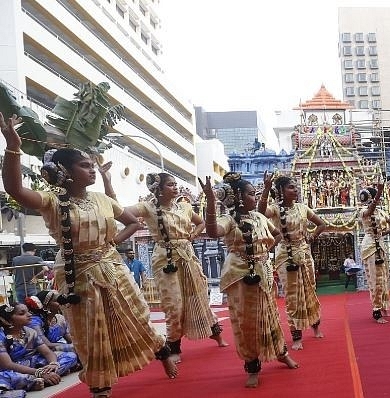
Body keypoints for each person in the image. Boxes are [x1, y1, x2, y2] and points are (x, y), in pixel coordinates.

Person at [0, 113, 177, 398]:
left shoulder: (103, 199)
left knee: (136, 316)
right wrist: (12, 145)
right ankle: (100, 388)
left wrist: (109, 244)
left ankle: (163, 352)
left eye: (92, 166)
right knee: (88, 332)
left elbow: (133, 221)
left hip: (111, 267)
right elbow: (15, 190)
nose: (92, 170)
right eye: (85, 166)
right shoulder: (53, 201)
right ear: (64, 172)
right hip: (76, 273)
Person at [199, 172, 298, 388]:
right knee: (247, 323)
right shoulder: (228, 219)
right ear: (238, 198)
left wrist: (263, 254)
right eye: (252, 194)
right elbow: (213, 232)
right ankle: (252, 367)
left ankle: (281, 352)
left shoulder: (259, 217)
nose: (256, 198)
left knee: (270, 315)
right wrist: (210, 201)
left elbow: (277, 235)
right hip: (239, 276)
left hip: (262, 273)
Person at [126, 172, 228, 364]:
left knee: (199, 298)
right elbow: (121, 210)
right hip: (165, 259)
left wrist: (193, 235)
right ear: (159, 189)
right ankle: (174, 346)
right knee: (174, 304)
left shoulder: (185, 207)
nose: (175, 188)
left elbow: (202, 222)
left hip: (187, 255)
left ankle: (216, 334)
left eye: (176, 184)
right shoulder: (148, 207)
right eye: (171, 185)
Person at [258, 172, 326, 350]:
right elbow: (260, 212)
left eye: (296, 187)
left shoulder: (303, 208)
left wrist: (311, 237)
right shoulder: (274, 209)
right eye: (291, 187)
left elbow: (321, 224)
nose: (295, 190)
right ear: (281, 190)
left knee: (310, 290)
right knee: (292, 295)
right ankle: (296, 337)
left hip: (304, 253)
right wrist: (266, 189)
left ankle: (316, 327)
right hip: (285, 256)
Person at [0, 303, 77, 393]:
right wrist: (38, 372)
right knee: (10, 378)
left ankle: (42, 378)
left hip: (32, 364)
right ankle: (38, 379)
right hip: (11, 370)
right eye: (22, 313)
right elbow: (8, 365)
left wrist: (54, 363)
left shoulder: (30, 332)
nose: (29, 315)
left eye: (28, 311)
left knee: (70, 356)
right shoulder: (2, 335)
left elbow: (47, 352)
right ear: (9, 320)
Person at [358, 183, 390, 324]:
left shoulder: (381, 213)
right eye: (376, 196)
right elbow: (369, 212)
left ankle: (384, 306)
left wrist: (384, 232)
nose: (379, 198)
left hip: (380, 245)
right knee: (375, 279)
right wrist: (379, 193)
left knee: (384, 278)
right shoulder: (363, 210)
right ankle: (376, 310)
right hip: (370, 246)